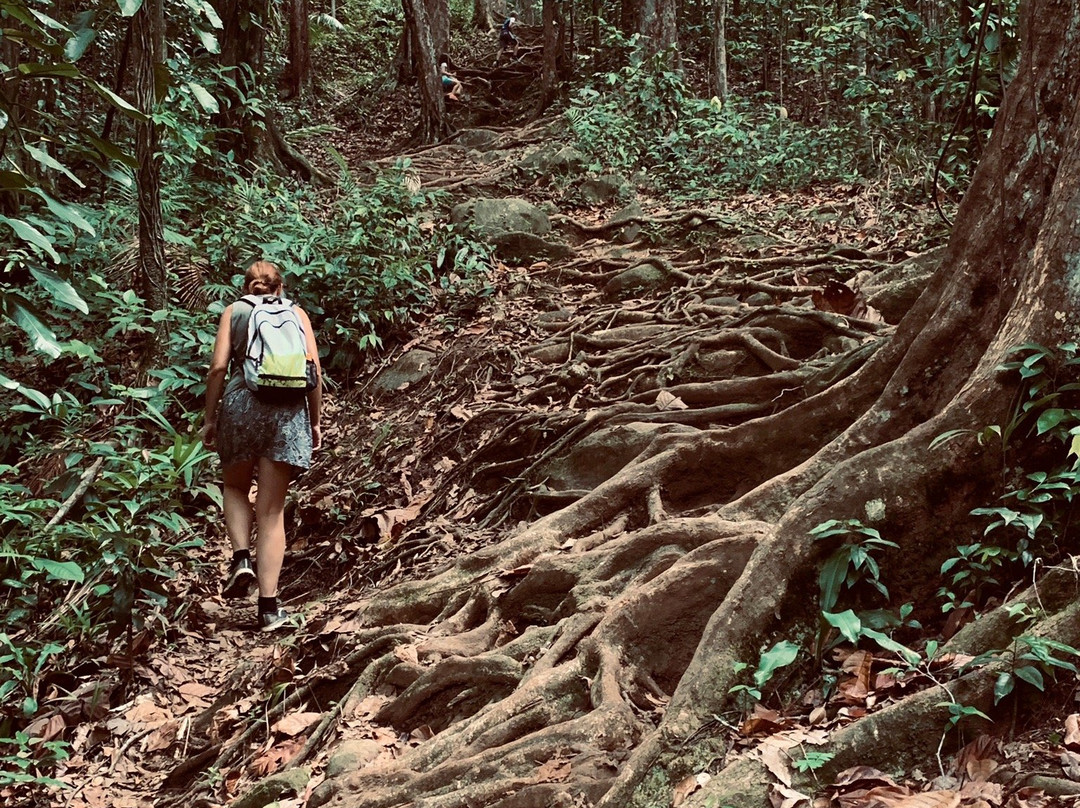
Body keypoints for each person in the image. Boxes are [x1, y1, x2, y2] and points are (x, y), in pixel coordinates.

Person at [201, 260, 323, 632]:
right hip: (286, 415)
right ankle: (269, 610)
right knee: (271, 513)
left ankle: (240, 558)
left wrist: (210, 417)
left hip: (240, 406)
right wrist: (315, 421)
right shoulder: (297, 313)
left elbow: (219, 367)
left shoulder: (234, 311)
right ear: (279, 288)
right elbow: (313, 369)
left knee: (235, 486)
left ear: (246, 287)